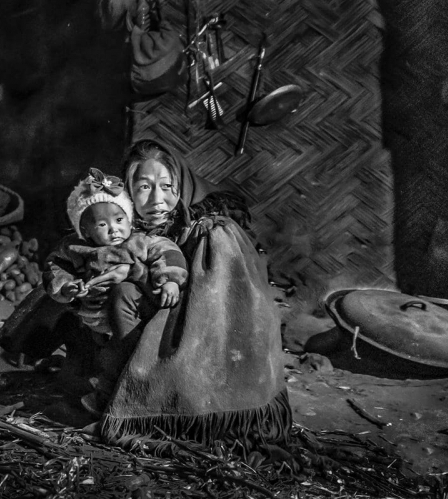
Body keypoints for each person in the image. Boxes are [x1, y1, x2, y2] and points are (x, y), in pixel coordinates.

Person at [75, 139, 291, 451]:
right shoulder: (121, 224)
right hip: (154, 310)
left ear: (181, 185)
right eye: (144, 187)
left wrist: (134, 273)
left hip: (203, 330)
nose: (157, 199)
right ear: (127, 191)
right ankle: (120, 394)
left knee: (124, 292)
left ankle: (146, 405)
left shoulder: (210, 228)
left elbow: (209, 299)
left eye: (166, 186)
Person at [43, 167, 188, 416]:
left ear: (129, 220)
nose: (114, 229)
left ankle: (114, 399)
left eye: (119, 220)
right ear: (85, 231)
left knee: (115, 357)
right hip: (90, 318)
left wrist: (170, 280)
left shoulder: (138, 242)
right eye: (102, 224)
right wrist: (67, 286)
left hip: (129, 317)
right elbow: (54, 267)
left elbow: (167, 252)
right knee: (84, 360)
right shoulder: (75, 248)